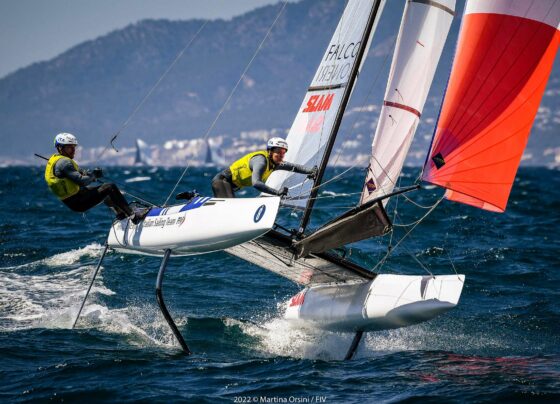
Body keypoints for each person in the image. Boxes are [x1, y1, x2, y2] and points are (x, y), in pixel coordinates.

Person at [44, 132, 148, 224]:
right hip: (78, 201)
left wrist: (88, 174)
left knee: (105, 191)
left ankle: (121, 214)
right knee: (109, 187)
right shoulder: (64, 163)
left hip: (75, 198)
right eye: (69, 148)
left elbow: (75, 174)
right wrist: (94, 175)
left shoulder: (57, 160)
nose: (73, 150)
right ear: (60, 148)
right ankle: (134, 216)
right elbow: (82, 182)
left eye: (74, 147)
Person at [211, 137, 318, 198]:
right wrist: (277, 192)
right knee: (230, 208)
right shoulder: (261, 161)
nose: (281, 155)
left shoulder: (275, 163)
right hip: (222, 181)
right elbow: (256, 183)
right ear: (270, 151)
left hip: (231, 186)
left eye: (283, 152)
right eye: (278, 152)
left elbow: (294, 167)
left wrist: (311, 171)